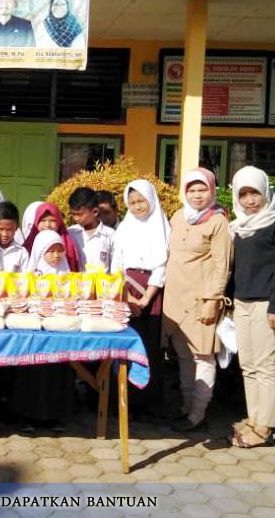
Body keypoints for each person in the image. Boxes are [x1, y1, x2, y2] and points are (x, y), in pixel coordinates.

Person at [226, 166, 275, 448]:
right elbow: (234, 267)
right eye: (244, 194)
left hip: (268, 305)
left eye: (255, 193)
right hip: (242, 303)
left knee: (266, 367)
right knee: (248, 365)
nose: (250, 200)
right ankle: (254, 419)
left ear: (266, 192)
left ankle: (264, 427)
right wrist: (229, 299)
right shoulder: (237, 226)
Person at [162, 167, 232, 433]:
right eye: (191, 189)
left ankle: (198, 414)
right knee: (183, 357)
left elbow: (221, 265)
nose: (197, 195)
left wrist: (213, 299)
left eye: (202, 189)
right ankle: (185, 407)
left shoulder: (218, 222)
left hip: (201, 300)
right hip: (175, 300)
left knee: (203, 357)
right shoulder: (178, 217)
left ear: (212, 190)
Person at [111, 179, 171, 419]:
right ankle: (123, 400)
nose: (137, 207)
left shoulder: (162, 227)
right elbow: (117, 263)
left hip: (152, 290)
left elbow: (162, 264)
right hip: (126, 290)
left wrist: (147, 297)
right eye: (132, 202)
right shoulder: (124, 228)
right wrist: (125, 297)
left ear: (151, 200)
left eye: (141, 201)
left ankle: (147, 402)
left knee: (148, 346)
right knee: (124, 344)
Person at [11, 229, 76, 432]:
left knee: (57, 372)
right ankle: (27, 417)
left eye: (60, 250)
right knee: (33, 373)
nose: (56, 256)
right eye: (51, 251)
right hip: (36, 334)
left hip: (59, 332)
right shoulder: (31, 276)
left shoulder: (68, 277)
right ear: (40, 252)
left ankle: (54, 416)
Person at [67, 187, 114, 273]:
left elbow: (116, 265)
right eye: (73, 214)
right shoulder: (70, 234)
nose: (76, 218)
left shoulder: (110, 235)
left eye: (79, 214)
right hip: (76, 284)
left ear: (95, 212)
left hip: (102, 285)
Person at [22, 202, 80, 272]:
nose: (47, 225)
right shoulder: (29, 244)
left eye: (52, 221)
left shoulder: (67, 244)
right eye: (43, 220)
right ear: (36, 221)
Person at [0, 202, 28, 273]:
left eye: (9, 229)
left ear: (16, 227)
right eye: (0, 229)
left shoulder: (21, 253)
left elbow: (25, 278)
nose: (4, 234)